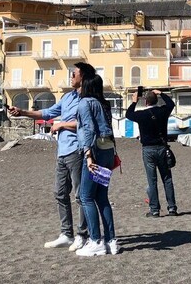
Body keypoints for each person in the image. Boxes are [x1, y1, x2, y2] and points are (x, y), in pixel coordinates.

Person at [7, 62, 94, 251]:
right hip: (62, 152)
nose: (71, 77)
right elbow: (46, 113)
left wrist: (62, 125)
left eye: (74, 74)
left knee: (81, 196)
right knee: (60, 193)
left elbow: (87, 124)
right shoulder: (67, 97)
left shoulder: (89, 100)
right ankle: (66, 234)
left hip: (78, 151)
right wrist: (22, 112)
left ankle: (82, 234)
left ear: (83, 77)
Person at [76, 75, 117, 256]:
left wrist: (88, 156)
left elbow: (89, 129)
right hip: (108, 149)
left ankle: (95, 240)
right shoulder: (104, 104)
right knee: (102, 197)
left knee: (86, 196)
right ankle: (111, 241)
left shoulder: (86, 103)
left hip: (96, 150)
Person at [125, 88, 178, 217]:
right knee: (167, 178)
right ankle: (172, 208)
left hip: (148, 149)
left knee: (152, 180)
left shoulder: (141, 115)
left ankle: (154, 209)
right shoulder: (162, 111)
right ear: (156, 100)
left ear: (146, 102)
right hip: (162, 148)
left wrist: (134, 101)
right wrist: (161, 93)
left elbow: (128, 114)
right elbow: (171, 103)